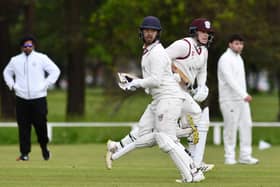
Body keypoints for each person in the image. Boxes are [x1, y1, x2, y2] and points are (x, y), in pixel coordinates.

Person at [107, 16, 204, 183]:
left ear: (158, 33)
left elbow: (156, 80)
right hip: (158, 100)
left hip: (168, 98)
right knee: (144, 134)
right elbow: (154, 81)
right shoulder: (148, 52)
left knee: (166, 140)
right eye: (146, 30)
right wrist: (133, 81)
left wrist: (135, 83)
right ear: (141, 33)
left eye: (153, 31)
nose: (149, 33)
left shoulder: (157, 53)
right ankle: (186, 132)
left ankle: (192, 174)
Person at [165, 17, 214, 170]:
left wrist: (201, 87)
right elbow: (161, 58)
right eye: (203, 31)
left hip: (184, 92)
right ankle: (194, 162)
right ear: (194, 32)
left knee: (188, 126)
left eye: (208, 32)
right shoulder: (183, 45)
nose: (206, 35)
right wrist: (176, 74)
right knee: (195, 119)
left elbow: (202, 71)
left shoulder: (204, 51)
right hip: (171, 90)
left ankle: (193, 162)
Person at [3, 35, 60, 161]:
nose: (28, 47)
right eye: (25, 46)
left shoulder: (41, 58)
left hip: (38, 98)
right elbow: (6, 73)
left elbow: (55, 71)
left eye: (30, 45)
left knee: (41, 126)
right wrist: (12, 86)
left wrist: (45, 85)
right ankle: (24, 153)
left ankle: (44, 148)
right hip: (21, 98)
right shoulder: (15, 60)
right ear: (22, 47)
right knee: (23, 126)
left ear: (33, 46)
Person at [217, 34, 259, 165]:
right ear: (230, 44)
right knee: (231, 127)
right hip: (229, 99)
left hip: (242, 100)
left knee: (247, 125)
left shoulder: (239, 58)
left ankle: (245, 156)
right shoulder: (225, 59)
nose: (239, 46)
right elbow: (230, 80)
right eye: (236, 43)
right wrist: (243, 94)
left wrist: (243, 95)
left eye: (241, 44)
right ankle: (229, 156)